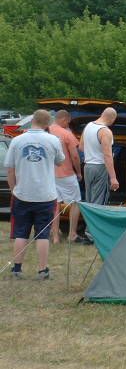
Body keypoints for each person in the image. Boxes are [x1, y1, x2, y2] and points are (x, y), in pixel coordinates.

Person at [5, 109, 65, 279]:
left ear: (32, 120)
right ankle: (42, 269)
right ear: (48, 123)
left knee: (21, 232)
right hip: (45, 195)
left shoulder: (17, 141)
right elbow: (60, 161)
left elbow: (10, 168)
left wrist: (13, 189)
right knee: (43, 234)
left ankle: (17, 268)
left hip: (22, 194)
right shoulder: (53, 140)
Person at [49, 110, 88, 244]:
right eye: (68, 122)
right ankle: (72, 234)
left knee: (55, 204)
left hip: (50, 175)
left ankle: (55, 236)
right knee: (75, 202)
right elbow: (75, 156)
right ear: (64, 119)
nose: (68, 124)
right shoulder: (67, 134)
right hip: (66, 174)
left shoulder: (46, 131)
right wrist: (78, 172)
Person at [80, 108, 119, 205]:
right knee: (98, 202)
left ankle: (88, 220)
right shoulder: (105, 131)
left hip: (88, 167)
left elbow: (81, 147)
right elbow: (107, 155)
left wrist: (92, 152)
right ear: (113, 118)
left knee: (89, 200)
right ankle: (95, 220)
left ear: (102, 114)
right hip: (100, 168)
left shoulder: (88, 126)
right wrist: (113, 178)